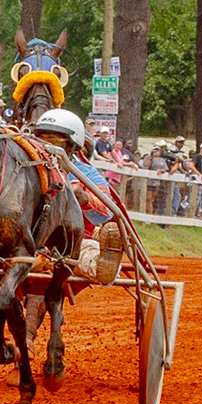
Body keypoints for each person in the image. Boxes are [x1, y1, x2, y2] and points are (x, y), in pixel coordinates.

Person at [30, 108, 121, 283]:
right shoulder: (28, 169)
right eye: (43, 139)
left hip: (76, 242)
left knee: (92, 257)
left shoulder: (88, 174)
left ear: (73, 146)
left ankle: (103, 265)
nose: (49, 146)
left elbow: (107, 212)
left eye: (57, 140)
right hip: (31, 242)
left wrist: (85, 199)